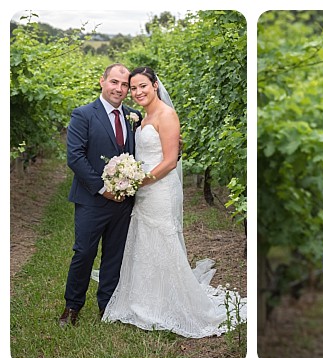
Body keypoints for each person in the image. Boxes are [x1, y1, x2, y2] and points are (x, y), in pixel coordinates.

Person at [100, 66, 246, 338]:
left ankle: (172, 302)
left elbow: (169, 161)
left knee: (163, 238)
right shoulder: (142, 117)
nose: (138, 92)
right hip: (144, 189)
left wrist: (135, 182)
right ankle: (145, 299)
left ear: (155, 85)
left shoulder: (167, 115)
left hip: (159, 188)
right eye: (133, 88)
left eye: (143, 85)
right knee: (145, 239)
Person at [61, 63, 142, 327]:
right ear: (102, 82)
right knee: (84, 252)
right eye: (114, 82)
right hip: (91, 199)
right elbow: (75, 157)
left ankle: (107, 306)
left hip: (124, 201)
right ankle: (72, 306)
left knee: (114, 255)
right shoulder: (83, 114)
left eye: (124, 85)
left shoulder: (134, 116)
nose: (119, 89)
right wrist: (103, 188)